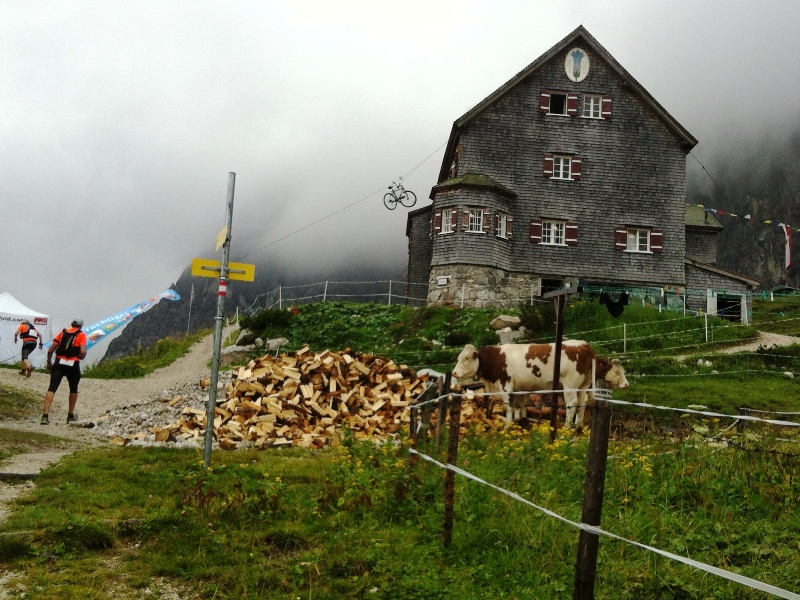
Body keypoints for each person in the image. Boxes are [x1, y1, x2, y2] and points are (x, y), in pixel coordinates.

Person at [41, 319, 87, 425]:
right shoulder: (81, 335)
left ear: (71, 324)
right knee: (73, 389)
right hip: (73, 364)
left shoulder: (63, 332)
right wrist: (82, 356)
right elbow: (83, 351)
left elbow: (51, 350)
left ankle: (45, 416)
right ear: (80, 326)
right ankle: (70, 415)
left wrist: (49, 362)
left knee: (52, 388)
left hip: (59, 362)